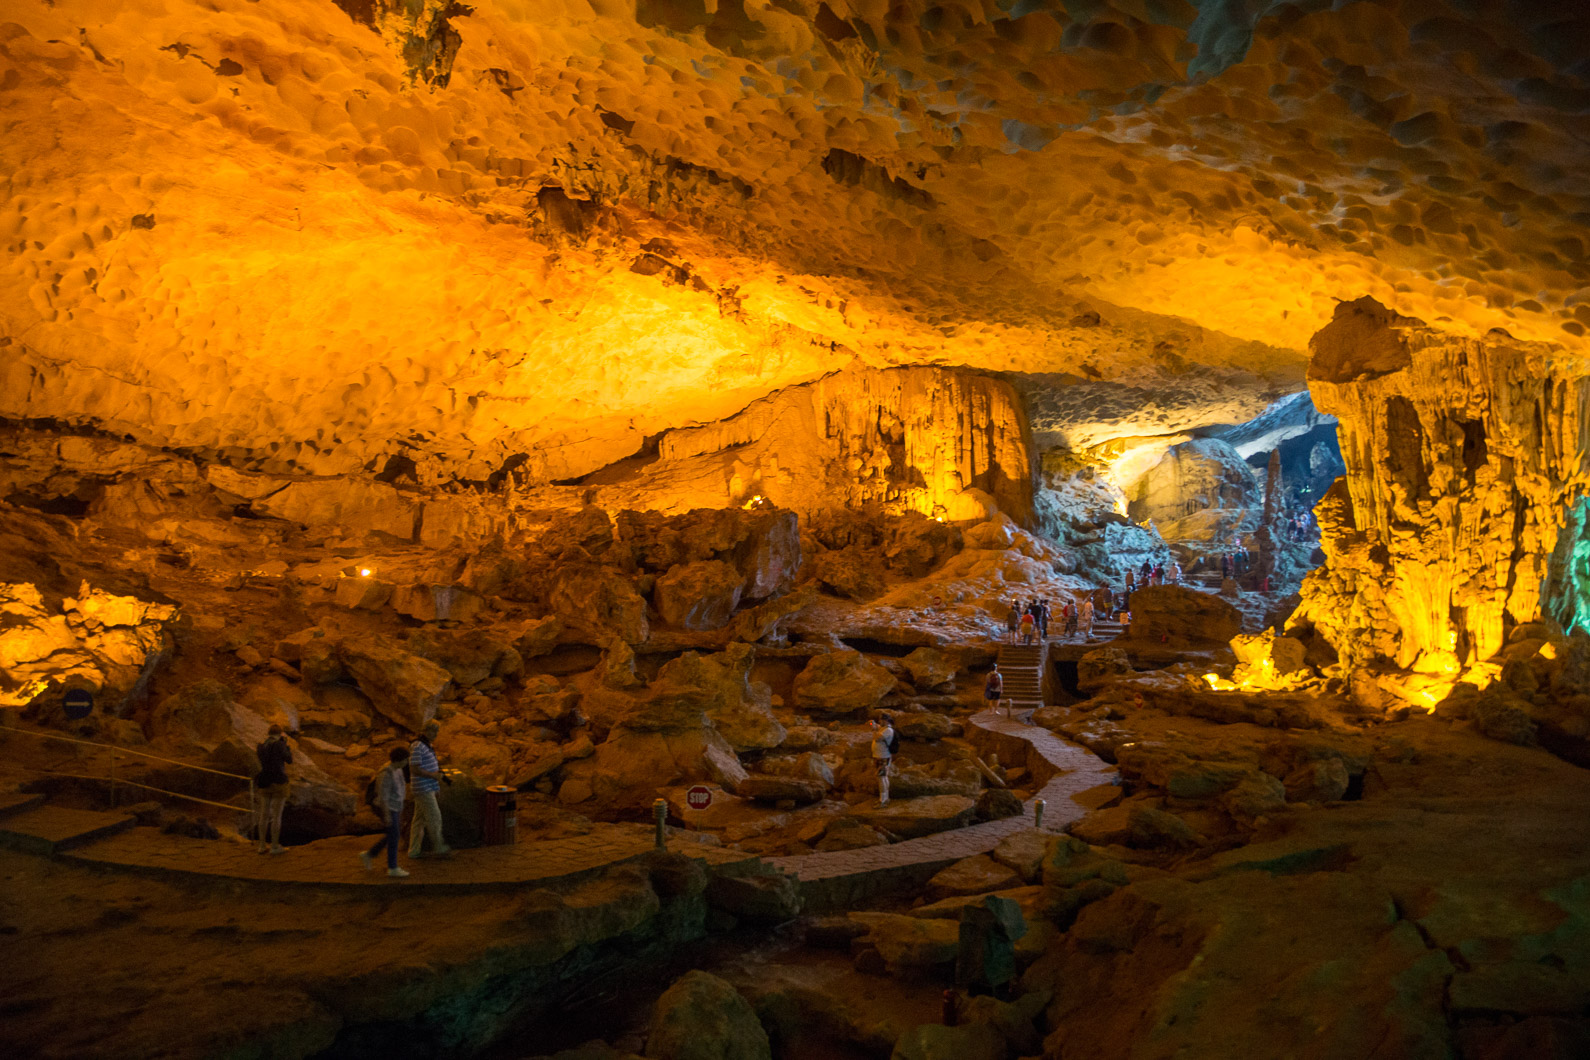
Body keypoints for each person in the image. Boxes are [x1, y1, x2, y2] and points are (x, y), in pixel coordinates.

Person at [361, 746, 412, 878]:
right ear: (399, 760)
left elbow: (400, 789)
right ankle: (392, 867)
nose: (408, 762)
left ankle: (370, 854)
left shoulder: (398, 769)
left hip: (395, 806)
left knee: (393, 834)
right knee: (394, 835)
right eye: (406, 759)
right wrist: (387, 815)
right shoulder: (386, 773)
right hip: (387, 808)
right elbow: (383, 796)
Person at [408, 720, 452, 859]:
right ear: (425, 731)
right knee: (435, 817)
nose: (436, 734)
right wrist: (433, 776)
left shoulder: (427, 745)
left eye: (437, 731)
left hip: (427, 787)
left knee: (418, 821)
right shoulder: (417, 746)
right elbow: (414, 768)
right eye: (434, 731)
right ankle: (439, 847)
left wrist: (436, 786)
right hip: (422, 788)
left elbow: (430, 767)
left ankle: (413, 851)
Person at [253, 724, 292, 854]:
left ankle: (262, 846)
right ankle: (274, 846)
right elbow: (289, 759)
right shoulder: (280, 745)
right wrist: (286, 744)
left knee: (263, 815)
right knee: (276, 816)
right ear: (280, 733)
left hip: (264, 782)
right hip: (279, 782)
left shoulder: (261, 746)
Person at [871, 713, 897, 806]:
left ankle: (882, 801)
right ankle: (885, 798)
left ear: (885, 721)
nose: (879, 722)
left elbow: (877, 738)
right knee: (883, 777)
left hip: (883, 757)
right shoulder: (883, 728)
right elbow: (875, 726)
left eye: (881, 720)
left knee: (881, 778)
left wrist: (874, 729)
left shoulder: (888, 730)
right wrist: (871, 724)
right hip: (880, 756)